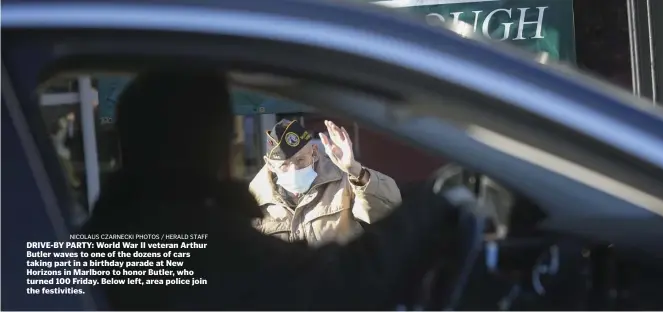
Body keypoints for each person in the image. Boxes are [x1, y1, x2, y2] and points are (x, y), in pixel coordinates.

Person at [81, 68, 476, 310]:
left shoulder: (85, 247)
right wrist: (438, 204)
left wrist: (354, 170)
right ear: (222, 149)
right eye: (289, 162)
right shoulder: (212, 238)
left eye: (304, 159)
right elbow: (333, 288)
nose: (298, 167)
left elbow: (379, 212)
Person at [249, 119, 401, 244]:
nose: (293, 170)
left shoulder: (344, 179)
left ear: (314, 152)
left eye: (301, 160)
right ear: (270, 165)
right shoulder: (254, 199)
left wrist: (355, 170)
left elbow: (389, 212)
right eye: (284, 165)